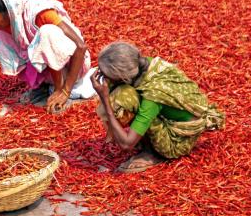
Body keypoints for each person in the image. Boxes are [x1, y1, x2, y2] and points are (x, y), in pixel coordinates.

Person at [92, 41, 225, 173]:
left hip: (177, 141)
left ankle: (151, 153)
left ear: (123, 78)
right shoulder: (144, 65)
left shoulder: (153, 95)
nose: (101, 76)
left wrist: (105, 99)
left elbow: (126, 144)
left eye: (105, 74)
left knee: (124, 96)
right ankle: (144, 141)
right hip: (171, 119)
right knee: (123, 94)